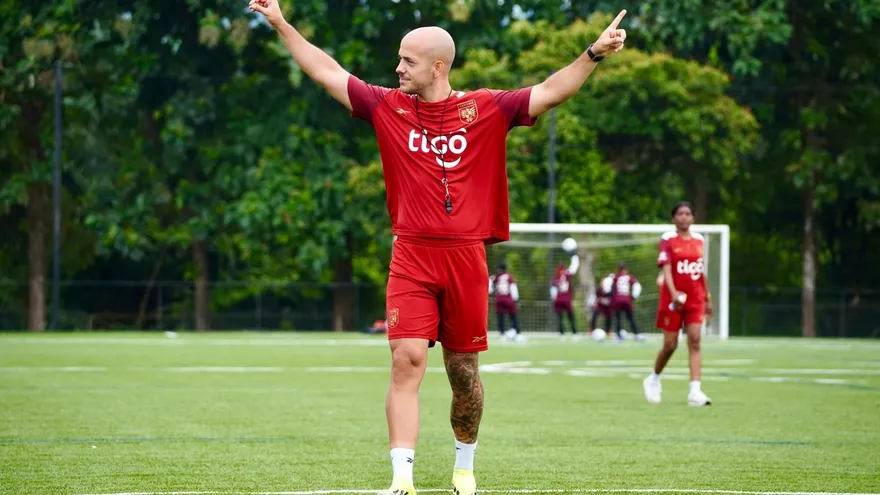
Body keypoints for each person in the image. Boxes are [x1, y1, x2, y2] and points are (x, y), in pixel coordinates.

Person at [249, 2, 627, 493]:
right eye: (399, 60)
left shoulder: (487, 107)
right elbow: (326, 71)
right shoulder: (387, 106)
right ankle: (401, 479)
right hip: (411, 255)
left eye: (407, 60)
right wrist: (279, 22)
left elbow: (553, 90)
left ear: (437, 66)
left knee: (464, 374)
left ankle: (464, 465)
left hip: (467, 259)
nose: (398, 68)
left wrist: (593, 53)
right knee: (406, 360)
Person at [643, 201, 714, 407]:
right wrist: (674, 293)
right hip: (673, 299)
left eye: (688, 213)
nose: (684, 217)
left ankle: (695, 391)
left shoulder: (699, 240)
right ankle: (653, 378)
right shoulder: (668, 240)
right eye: (680, 213)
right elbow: (666, 269)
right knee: (670, 344)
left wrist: (707, 298)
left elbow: (700, 271)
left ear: (693, 217)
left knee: (695, 340)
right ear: (673, 218)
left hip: (695, 297)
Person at [611, 264, 644, 341]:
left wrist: (611, 296)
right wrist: (633, 297)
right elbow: (637, 286)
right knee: (630, 318)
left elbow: (608, 286)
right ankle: (636, 335)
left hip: (617, 300)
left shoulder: (615, 276)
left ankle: (618, 336)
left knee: (618, 318)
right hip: (626, 300)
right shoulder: (629, 277)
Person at [489, 263, 522, 340]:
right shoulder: (509, 276)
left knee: (500, 316)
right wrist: (516, 299)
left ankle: (502, 334)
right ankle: (517, 333)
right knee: (513, 316)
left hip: (499, 299)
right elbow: (513, 287)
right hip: (508, 299)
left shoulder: (495, 276)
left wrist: (492, 292)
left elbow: (489, 282)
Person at [551, 253, 580, 338]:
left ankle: (561, 333)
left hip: (558, 299)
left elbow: (553, 290)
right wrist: (574, 257)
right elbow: (574, 268)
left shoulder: (555, 278)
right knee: (571, 316)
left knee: (560, 317)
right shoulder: (567, 274)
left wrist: (554, 299)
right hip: (567, 298)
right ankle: (574, 333)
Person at [588, 272, 615, 337]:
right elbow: (595, 297)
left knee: (609, 318)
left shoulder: (612, 290)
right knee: (594, 316)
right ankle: (591, 330)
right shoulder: (599, 289)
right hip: (600, 306)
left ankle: (608, 331)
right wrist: (593, 303)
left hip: (608, 306)